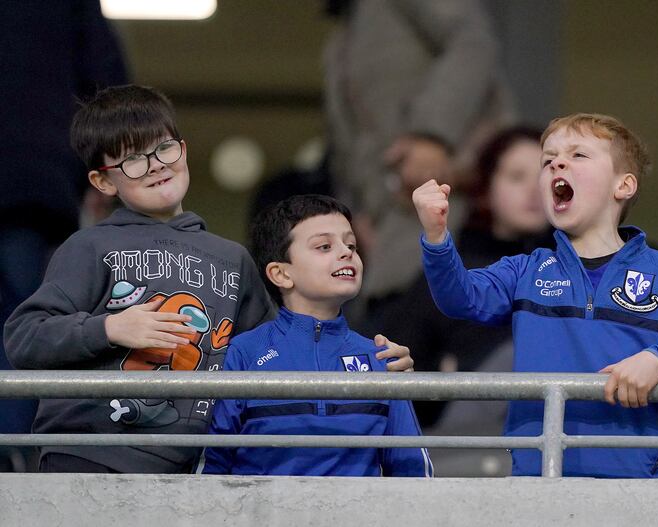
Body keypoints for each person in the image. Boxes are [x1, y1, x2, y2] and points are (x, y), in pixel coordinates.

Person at [3, 85, 412, 474]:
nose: (156, 165)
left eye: (164, 148)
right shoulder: (89, 247)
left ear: (183, 150)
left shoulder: (231, 259)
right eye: (133, 158)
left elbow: (276, 349)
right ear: (104, 181)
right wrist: (111, 326)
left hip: (185, 466)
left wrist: (374, 362)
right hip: (90, 453)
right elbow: (23, 337)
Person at [412, 113, 658, 478]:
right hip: (541, 474)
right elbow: (459, 298)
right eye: (548, 160)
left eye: (578, 155)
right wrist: (436, 238)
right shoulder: (525, 269)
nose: (557, 162)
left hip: (639, 486)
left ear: (623, 186)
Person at [201, 195, 432, 476]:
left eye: (351, 245)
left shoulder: (381, 357)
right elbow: (214, 466)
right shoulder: (244, 353)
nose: (347, 253)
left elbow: (412, 467)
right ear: (281, 274)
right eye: (324, 246)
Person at [323, 0, 518, 311]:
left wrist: (432, 135)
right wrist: (357, 213)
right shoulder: (346, 29)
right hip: (389, 228)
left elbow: (472, 42)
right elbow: (348, 139)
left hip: (454, 210)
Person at [0, 0, 128, 470]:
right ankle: (13, 456)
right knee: (25, 324)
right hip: (35, 181)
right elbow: (106, 79)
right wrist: (100, 169)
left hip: (34, 182)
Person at [359, 126, 554, 426]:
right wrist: (444, 371)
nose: (534, 190)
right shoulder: (448, 263)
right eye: (516, 177)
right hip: (465, 442)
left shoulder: (577, 264)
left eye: (546, 176)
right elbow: (403, 365)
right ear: (487, 187)